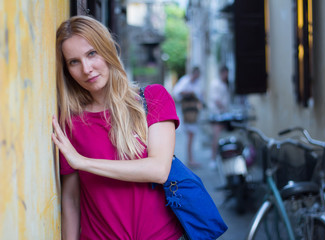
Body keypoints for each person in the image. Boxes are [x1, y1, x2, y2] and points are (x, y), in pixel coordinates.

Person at [52, 15, 186, 240]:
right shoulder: (71, 122)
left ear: (108, 50)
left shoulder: (153, 99)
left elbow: (158, 170)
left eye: (91, 53)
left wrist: (83, 162)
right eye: (74, 61)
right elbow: (71, 200)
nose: (86, 69)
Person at [172, 67, 203, 168]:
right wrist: (190, 93)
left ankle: (190, 159)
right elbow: (177, 93)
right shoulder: (185, 81)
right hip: (186, 112)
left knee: (191, 136)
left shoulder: (196, 83)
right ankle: (190, 159)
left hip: (193, 112)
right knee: (190, 136)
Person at [208, 65, 231, 169]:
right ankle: (213, 159)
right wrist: (223, 107)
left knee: (222, 137)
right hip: (217, 115)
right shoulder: (215, 84)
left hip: (223, 114)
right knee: (216, 137)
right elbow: (216, 100)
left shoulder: (224, 84)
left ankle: (220, 158)